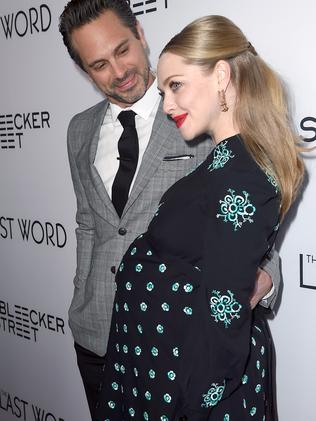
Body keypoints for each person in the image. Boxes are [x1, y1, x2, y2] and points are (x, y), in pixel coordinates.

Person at [59, 2, 281, 418]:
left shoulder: (199, 115)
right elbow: (88, 223)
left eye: (122, 50)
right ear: (84, 70)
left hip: (176, 348)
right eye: (99, 65)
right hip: (98, 336)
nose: (118, 71)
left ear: (140, 33)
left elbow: (245, 225)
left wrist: (263, 280)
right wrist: (83, 297)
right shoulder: (79, 130)